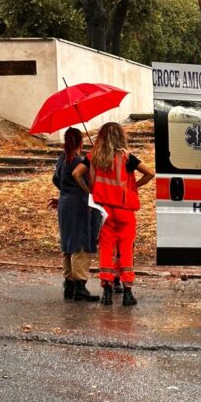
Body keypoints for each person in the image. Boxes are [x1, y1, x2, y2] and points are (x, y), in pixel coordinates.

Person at [72, 122, 154, 306]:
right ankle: (127, 292)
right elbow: (150, 173)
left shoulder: (94, 157)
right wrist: (133, 187)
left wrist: (90, 191)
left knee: (106, 250)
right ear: (120, 137)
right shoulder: (127, 158)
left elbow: (76, 174)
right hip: (125, 211)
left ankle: (107, 291)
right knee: (125, 250)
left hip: (104, 212)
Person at [48, 127, 100, 302]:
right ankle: (80, 286)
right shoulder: (80, 162)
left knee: (67, 243)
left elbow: (56, 180)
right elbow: (90, 183)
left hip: (64, 205)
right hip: (80, 205)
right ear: (80, 142)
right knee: (81, 244)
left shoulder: (62, 160)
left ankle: (68, 283)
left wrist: (65, 193)